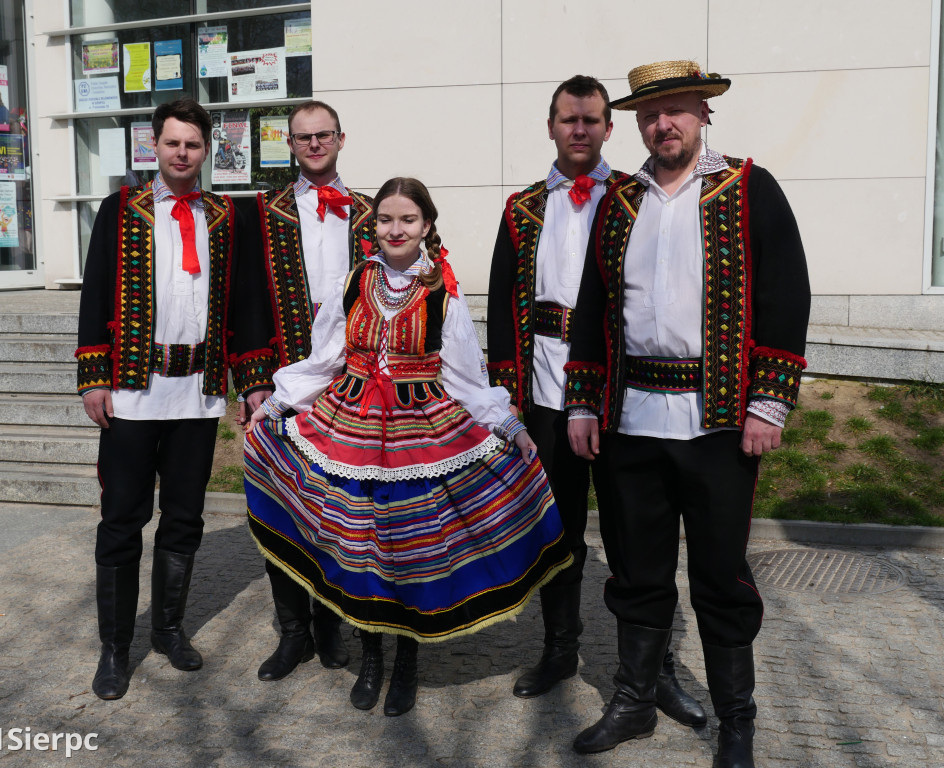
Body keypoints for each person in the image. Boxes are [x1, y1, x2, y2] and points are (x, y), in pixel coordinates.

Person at [244, 177, 572, 717]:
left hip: (419, 431)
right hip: (348, 425)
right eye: (386, 220)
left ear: (426, 226)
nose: (395, 230)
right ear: (372, 227)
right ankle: (371, 656)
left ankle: (406, 662)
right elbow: (324, 358)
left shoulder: (443, 293)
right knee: (361, 546)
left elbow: (466, 375)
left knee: (408, 550)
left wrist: (509, 426)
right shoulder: (354, 282)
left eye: (407, 220)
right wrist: (276, 406)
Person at [564, 61, 810, 765]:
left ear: (705, 112)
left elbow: (787, 298)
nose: (662, 124)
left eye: (675, 109)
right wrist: (582, 399)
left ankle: (737, 721)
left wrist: (770, 401)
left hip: (721, 420)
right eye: (649, 114)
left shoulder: (750, 188)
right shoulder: (620, 200)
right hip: (630, 420)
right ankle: (636, 702)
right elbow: (593, 304)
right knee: (637, 571)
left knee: (720, 575)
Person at [486, 74, 703, 725]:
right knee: (557, 536)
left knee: (640, 538)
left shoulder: (641, 199)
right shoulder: (522, 209)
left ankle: (655, 668)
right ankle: (560, 649)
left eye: (590, 120)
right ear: (550, 126)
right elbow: (501, 306)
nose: (578, 130)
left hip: (622, 396)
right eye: (567, 120)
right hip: (548, 395)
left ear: (610, 128)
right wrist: (506, 396)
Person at [75, 97, 266, 701]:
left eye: (193, 144)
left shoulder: (225, 217)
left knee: (184, 518)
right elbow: (95, 291)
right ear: (153, 147)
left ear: (207, 151)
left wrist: (253, 380)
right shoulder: (120, 209)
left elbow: (244, 302)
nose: (182, 153)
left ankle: (168, 630)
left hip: (198, 395)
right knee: (122, 519)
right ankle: (115, 650)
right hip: (132, 391)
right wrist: (94, 376)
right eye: (172, 143)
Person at [235, 100, 375, 684]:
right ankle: (293, 630)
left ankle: (331, 624)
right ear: (288, 145)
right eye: (303, 137)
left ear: (341, 139)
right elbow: (244, 299)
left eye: (323, 135)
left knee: (343, 507)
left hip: (355, 384)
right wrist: (252, 382)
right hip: (286, 382)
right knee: (283, 504)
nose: (314, 144)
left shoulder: (373, 210)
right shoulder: (261, 212)